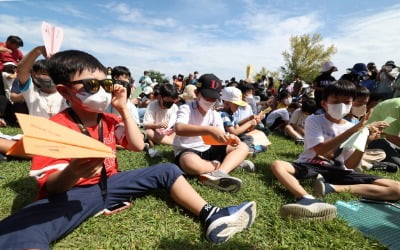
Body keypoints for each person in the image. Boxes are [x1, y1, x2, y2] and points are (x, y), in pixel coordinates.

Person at [0, 50, 257, 248]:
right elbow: (52, 188)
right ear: (65, 91)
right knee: (20, 231)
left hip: (110, 184)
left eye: (106, 84)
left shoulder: (109, 120)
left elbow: (135, 145)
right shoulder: (56, 127)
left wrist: (123, 109)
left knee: (166, 169)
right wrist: (74, 171)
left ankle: (212, 214)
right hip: (75, 193)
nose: (101, 91)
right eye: (91, 86)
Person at [270, 80, 400, 221]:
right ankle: (306, 198)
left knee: (396, 188)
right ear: (324, 103)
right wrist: (353, 131)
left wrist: (365, 140)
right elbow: (320, 150)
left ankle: (331, 188)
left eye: (346, 102)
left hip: (338, 171)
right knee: (278, 164)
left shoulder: (352, 127)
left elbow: (350, 165)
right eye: (336, 101)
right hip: (310, 164)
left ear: (351, 104)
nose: (341, 105)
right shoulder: (314, 120)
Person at [173, 74, 250, 192]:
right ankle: (228, 165)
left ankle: (219, 173)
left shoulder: (214, 114)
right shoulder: (186, 108)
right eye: (207, 97)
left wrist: (230, 138)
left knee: (243, 146)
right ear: (197, 93)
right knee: (189, 163)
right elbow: (179, 128)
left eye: (213, 99)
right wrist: (208, 129)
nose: (209, 101)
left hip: (209, 148)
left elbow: (220, 138)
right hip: (188, 150)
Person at [17, 45, 68, 118]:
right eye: (44, 74)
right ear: (34, 75)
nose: (50, 77)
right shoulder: (31, 93)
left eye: (53, 74)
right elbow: (21, 70)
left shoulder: (67, 95)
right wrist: (38, 50)